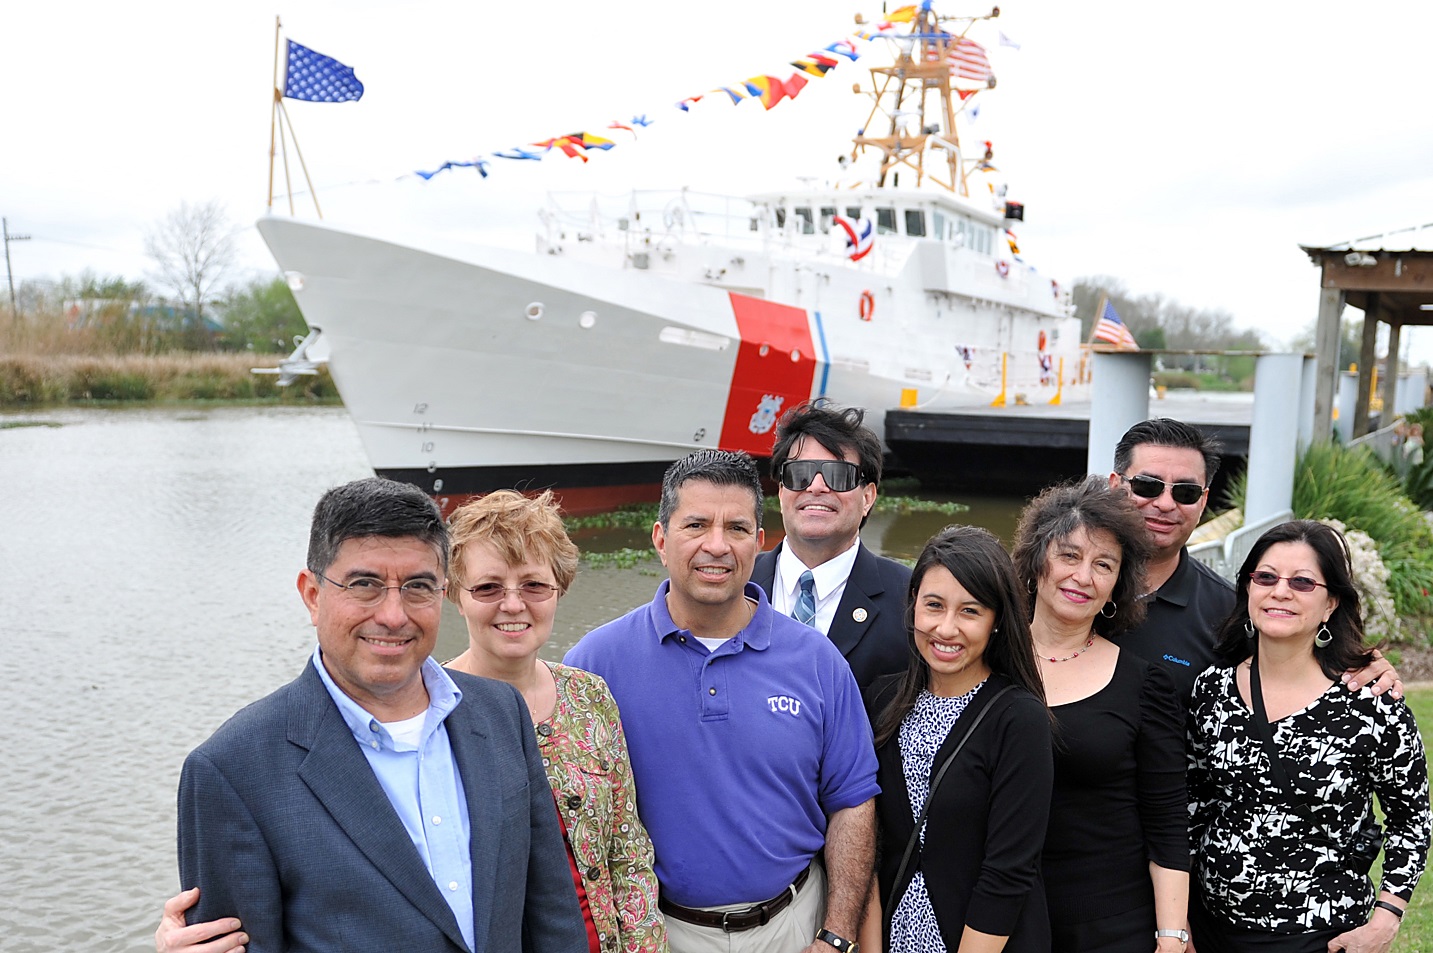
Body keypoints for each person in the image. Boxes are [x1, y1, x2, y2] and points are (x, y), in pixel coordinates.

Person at [157, 490, 666, 953]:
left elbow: (550, 911)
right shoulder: (232, 770)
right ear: (312, 595)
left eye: (418, 587)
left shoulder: (499, 713)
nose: (394, 615)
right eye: (365, 585)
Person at [565, 449, 879, 953]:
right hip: (660, 933)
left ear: (759, 542)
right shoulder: (596, 664)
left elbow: (852, 802)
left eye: (735, 528)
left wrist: (836, 934)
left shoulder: (816, 661)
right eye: (696, 525)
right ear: (660, 539)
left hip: (794, 925)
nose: (717, 545)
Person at [1186, 520, 1431, 953]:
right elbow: (1193, 805)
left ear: (1331, 602)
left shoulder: (1370, 702)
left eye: (1302, 582)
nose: (1281, 592)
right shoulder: (1213, 688)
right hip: (1212, 929)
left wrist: (1386, 918)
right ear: (1247, 590)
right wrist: (1178, 920)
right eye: (1266, 577)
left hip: (1321, 935)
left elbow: (1411, 819)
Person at [1012, 477, 1190, 953]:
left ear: (1116, 585)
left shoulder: (1142, 685)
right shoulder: (985, 663)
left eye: (1103, 564)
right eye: (1069, 555)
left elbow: (1168, 820)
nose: (1083, 576)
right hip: (994, 916)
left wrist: (1172, 937)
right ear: (1035, 563)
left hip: (1110, 924)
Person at [1108, 417, 1400, 700]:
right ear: (1114, 486)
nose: (1165, 504)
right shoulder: (1068, 583)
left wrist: (1366, 667)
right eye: (1147, 485)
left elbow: (1296, 667)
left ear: (1204, 500)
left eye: (1186, 492)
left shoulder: (1230, 612)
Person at [863, 525, 1054, 953]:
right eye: (933, 605)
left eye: (970, 611)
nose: (945, 628)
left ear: (997, 622)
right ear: (912, 607)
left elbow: (1008, 870)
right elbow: (868, 847)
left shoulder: (1018, 718)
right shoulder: (880, 699)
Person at [752, 400, 911, 690]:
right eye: (800, 474)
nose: (816, 486)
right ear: (781, 490)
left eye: (838, 475)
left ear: (868, 497)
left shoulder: (909, 599)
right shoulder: (737, 583)